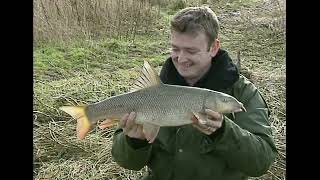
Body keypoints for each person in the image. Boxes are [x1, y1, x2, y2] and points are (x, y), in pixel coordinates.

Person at [102, 6, 277, 180]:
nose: (181, 58)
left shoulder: (243, 93)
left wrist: (222, 132)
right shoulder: (150, 93)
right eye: (175, 49)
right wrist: (135, 141)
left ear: (214, 47)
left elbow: (261, 162)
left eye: (191, 51)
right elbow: (128, 163)